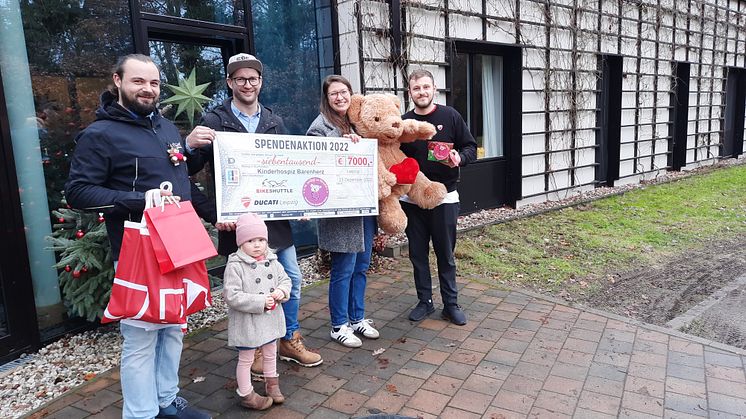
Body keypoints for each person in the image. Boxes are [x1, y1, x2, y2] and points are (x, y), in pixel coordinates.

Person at [65, 54, 212, 419]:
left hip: (178, 244)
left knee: (173, 327)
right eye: (138, 81)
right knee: (142, 337)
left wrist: (191, 150)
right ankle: (141, 413)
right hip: (138, 250)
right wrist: (135, 200)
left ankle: (165, 400)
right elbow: (79, 192)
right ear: (117, 80)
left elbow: (179, 173)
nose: (148, 89)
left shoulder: (163, 126)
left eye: (154, 83)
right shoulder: (99, 134)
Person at [186, 53, 322, 373]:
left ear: (261, 83)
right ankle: (257, 350)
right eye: (241, 79)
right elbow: (188, 172)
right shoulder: (214, 121)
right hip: (240, 225)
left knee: (292, 280)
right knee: (248, 291)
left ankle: (288, 339)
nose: (248, 84)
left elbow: (289, 168)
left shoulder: (274, 121)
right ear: (230, 83)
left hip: (274, 221)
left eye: (254, 79)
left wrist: (299, 202)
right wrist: (190, 147)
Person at [306, 75, 379, 348]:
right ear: (327, 98)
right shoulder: (319, 127)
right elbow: (316, 167)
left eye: (344, 92)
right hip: (340, 211)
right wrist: (341, 142)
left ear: (351, 94)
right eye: (334, 93)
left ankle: (357, 317)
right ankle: (339, 325)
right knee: (343, 269)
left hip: (364, 207)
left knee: (361, 266)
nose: (340, 98)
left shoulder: (357, 120)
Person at [400, 69, 477, 326]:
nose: (421, 92)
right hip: (412, 201)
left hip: (445, 199)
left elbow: (470, 147)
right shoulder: (404, 123)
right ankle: (425, 301)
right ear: (410, 92)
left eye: (425, 87)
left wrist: (460, 158)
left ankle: (450, 304)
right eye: (416, 88)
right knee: (418, 254)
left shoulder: (450, 116)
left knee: (445, 254)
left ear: (434, 89)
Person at [223, 213, 292, 410]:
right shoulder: (235, 265)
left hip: (269, 319)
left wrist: (281, 291)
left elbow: (286, 280)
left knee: (270, 352)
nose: (257, 245)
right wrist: (260, 301)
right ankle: (246, 393)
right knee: (246, 358)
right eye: (250, 240)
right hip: (248, 322)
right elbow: (232, 295)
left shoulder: (273, 260)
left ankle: (272, 384)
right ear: (240, 243)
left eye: (261, 239)